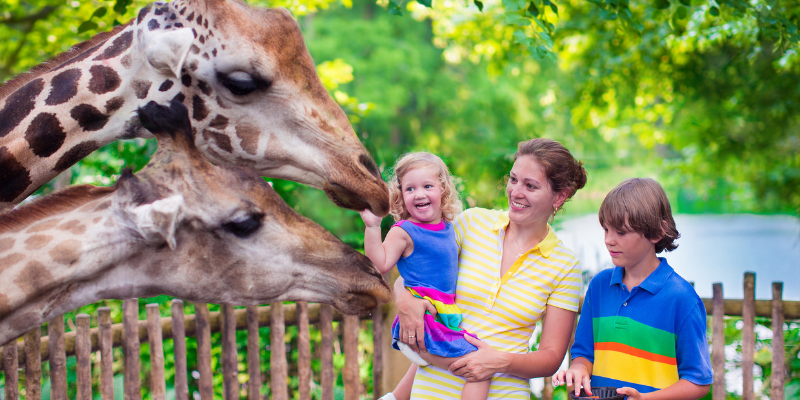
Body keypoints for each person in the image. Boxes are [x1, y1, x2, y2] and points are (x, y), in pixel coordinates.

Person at [391, 138, 588, 400]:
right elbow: (417, 276)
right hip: (431, 390)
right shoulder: (471, 224)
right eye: (514, 179)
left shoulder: (565, 266)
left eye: (530, 186)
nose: (516, 192)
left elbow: (551, 358)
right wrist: (403, 298)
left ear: (559, 196)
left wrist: (499, 362)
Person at [552, 178, 712, 400]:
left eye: (621, 232)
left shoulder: (682, 299)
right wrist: (579, 368)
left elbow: (698, 382)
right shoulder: (599, 287)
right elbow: (584, 354)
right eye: (606, 230)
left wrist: (645, 399)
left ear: (657, 232)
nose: (609, 240)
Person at [360, 152, 491, 400]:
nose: (419, 194)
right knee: (478, 369)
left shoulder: (449, 227)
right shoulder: (404, 231)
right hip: (423, 324)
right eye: (410, 189)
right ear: (401, 195)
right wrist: (373, 227)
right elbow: (380, 264)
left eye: (427, 186)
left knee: (430, 367)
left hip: (442, 319)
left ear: (443, 189)